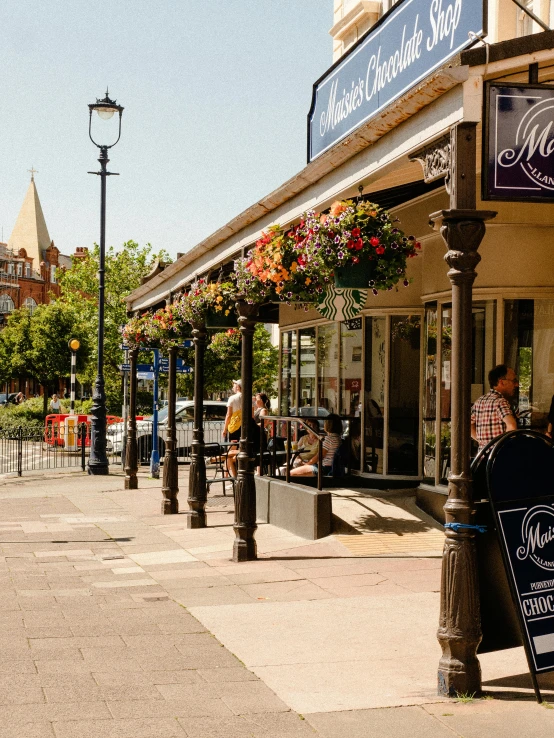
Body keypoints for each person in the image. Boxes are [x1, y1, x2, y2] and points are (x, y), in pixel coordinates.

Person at [471, 364, 519, 452]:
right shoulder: (500, 402)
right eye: (514, 381)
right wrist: (507, 447)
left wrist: (484, 442)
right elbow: (511, 425)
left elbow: (469, 425)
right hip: (500, 458)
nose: (516, 384)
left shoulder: (479, 401)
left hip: (484, 458)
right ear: (501, 382)